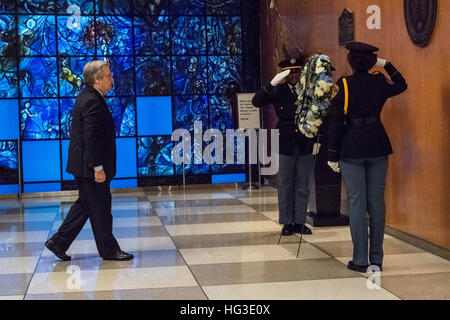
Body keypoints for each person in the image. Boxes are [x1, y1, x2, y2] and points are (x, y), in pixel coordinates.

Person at [327, 42, 407, 272]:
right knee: (377, 204)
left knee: (356, 203)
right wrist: (386, 65)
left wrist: (332, 153)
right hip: (377, 146)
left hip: (351, 148)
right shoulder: (379, 82)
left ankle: (360, 259)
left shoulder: (344, 85)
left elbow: (335, 120)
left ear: (351, 61)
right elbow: (402, 84)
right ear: (372, 62)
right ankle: (377, 259)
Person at [45, 61, 134, 261]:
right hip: (90, 167)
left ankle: (58, 242)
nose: (112, 79)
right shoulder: (92, 101)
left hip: (85, 166)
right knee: (101, 208)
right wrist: (98, 168)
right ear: (97, 79)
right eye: (109, 75)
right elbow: (91, 138)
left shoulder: (90, 97)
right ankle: (109, 250)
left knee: (86, 205)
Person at [252, 57, 315, 236]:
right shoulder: (278, 90)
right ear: (284, 74)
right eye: (290, 72)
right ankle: (287, 222)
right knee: (286, 184)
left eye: (297, 71)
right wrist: (272, 83)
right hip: (285, 139)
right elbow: (256, 101)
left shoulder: (308, 91)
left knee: (303, 184)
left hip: (305, 140)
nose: (294, 75)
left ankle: (300, 222)